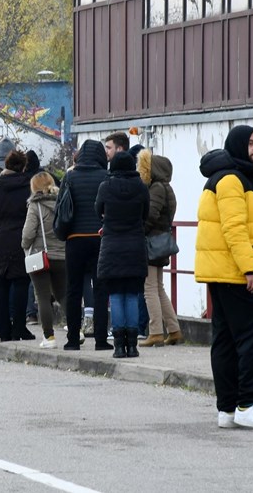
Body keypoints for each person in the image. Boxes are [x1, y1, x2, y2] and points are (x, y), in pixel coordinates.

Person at [196, 125, 253, 429]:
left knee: (226, 339)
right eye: (251, 143)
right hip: (239, 273)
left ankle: (228, 408)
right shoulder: (233, 180)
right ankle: (248, 404)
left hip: (225, 272)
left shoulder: (231, 176)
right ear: (236, 145)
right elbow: (235, 228)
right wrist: (250, 268)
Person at [59, 140, 113, 351]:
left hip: (75, 239)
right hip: (100, 238)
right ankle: (100, 339)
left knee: (73, 289)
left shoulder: (70, 177)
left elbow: (61, 208)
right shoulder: (105, 177)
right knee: (101, 289)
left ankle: (73, 339)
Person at [96, 151, 150, 358]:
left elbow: (97, 209)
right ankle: (133, 345)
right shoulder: (141, 187)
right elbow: (145, 213)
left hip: (111, 246)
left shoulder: (105, 187)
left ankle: (119, 346)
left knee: (116, 296)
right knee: (133, 295)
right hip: (135, 246)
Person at [0, 150, 35, 342]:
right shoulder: (29, 189)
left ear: (6, 165)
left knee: (1, 283)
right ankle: (19, 327)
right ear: (24, 166)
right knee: (21, 283)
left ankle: (3, 328)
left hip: (1, 239)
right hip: (22, 240)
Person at [136, 149, 183, 347]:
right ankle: (174, 329)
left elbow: (151, 215)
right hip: (161, 241)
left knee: (149, 288)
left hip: (151, 243)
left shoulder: (156, 188)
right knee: (159, 288)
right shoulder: (166, 187)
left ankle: (155, 331)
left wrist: (139, 232)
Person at [21, 172, 68, 349]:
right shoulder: (62, 202)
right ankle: (76, 330)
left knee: (42, 296)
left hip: (41, 257)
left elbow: (28, 234)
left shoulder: (35, 206)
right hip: (62, 255)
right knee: (63, 294)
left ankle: (49, 337)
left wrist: (25, 246)